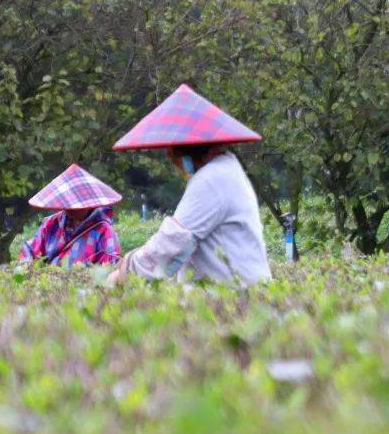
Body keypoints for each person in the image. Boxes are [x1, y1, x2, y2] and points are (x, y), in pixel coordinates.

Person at [108, 84, 271, 285]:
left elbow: (173, 243)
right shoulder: (226, 170)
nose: (173, 162)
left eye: (172, 154)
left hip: (233, 301)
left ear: (186, 151)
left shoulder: (212, 179)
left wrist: (124, 273)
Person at [20, 164, 122, 267]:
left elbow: (109, 267)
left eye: (76, 206)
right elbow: (30, 250)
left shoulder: (103, 230)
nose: (71, 209)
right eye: (68, 205)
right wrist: (27, 266)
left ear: (89, 203)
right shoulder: (51, 224)